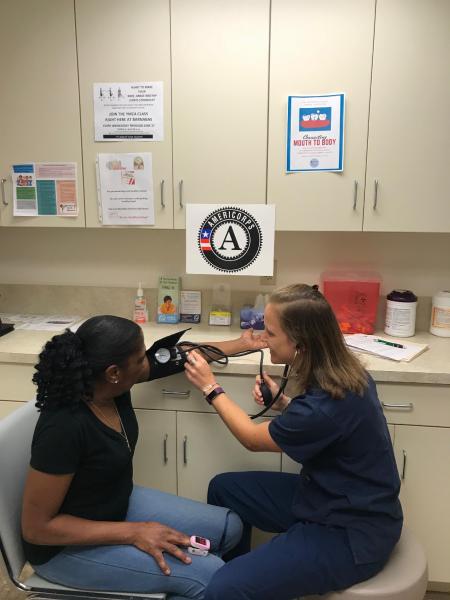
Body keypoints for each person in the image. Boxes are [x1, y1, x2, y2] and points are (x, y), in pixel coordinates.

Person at [184, 284, 403, 600]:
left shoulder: (325, 404)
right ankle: (240, 579)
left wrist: (210, 387)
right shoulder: (345, 372)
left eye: (271, 333)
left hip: (350, 533)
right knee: (225, 489)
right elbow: (324, 426)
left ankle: (231, 587)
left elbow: (252, 439)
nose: (264, 337)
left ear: (301, 343)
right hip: (327, 496)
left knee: (222, 588)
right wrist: (284, 404)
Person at [21, 315, 264, 599]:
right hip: (64, 551)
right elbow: (36, 529)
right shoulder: (63, 427)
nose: (146, 362)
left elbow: (175, 356)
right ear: (113, 372)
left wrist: (241, 343)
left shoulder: (108, 386)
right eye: (139, 359)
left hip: (115, 503)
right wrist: (134, 532)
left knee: (230, 528)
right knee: (211, 576)